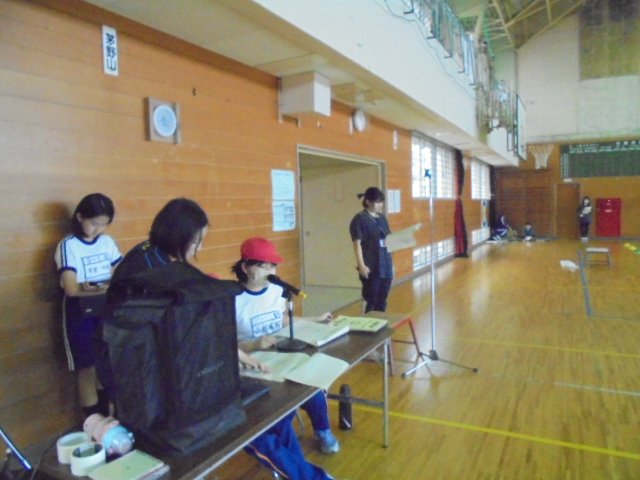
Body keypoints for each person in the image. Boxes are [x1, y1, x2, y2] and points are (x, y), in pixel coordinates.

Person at [110, 200, 341, 479]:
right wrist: (240, 352)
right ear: (178, 235)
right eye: (196, 241)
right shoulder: (145, 270)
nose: (198, 249)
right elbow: (166, 338)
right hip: (153, 390)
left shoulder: (160, 260)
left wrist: (238, 355)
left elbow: (192, 332)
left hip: (179, 377)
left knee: (275, 416)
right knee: (253, 425)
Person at [231, 237, 340, 457]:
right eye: (264, 266)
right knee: (283, 404)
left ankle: (323, 430)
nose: (271, 271)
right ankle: (287, 456)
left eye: (273, 266)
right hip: (253, 367)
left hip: (280, 356)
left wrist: (315, 320)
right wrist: (254, 344)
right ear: (246, 267)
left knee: (313, 388)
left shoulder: (275, 290)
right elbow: (223, 347)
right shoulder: (232, 300)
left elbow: (281, 321)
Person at [54, 193, 122, 418]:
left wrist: (96, 287)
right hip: (80, 312)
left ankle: (107, 419)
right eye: (94, 223)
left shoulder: (107, 242)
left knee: (105, 365)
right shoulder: (69, 245)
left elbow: (122, 274)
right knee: (87, 369)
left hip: (105, 309)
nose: (98, 229)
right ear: (80, 217)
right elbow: (71, 288)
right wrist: (104, 287)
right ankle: (93, 422)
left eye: (103, 224)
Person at [349, 187, 394, 313]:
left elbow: (388, 237)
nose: (381, 205)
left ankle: (381, 323)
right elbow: (357, 244)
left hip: (385, 265)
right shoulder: (359, 219)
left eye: (381, 202)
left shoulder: (382, 218)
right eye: (378, 202)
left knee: (382, 301)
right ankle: (368, 323)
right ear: (368, 202)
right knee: (371, 301)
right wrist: (361, 266)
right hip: (371, 266)